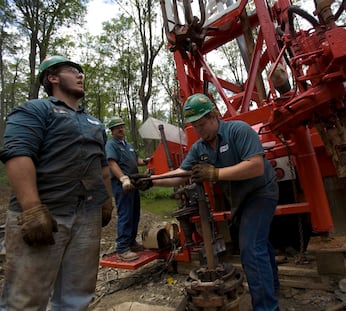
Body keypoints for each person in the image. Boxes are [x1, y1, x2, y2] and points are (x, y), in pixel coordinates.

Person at [137, 93, 280, 311]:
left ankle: (267, 307)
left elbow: (256, 166)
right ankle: (273, 286)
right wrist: (151, 180)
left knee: (251, 248)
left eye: (202, 124)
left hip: (261, 192)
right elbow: (182, 174)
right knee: (259, 242)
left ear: (214, 116)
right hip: (240, 199)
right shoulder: (200, 148)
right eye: (195, 126)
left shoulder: (238, 130)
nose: (199, 130)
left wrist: (215, 173)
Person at [0, 55, 114, 310]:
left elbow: (103, 167)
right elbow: (18, 154)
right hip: (45, 216)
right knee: (25, 299)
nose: (80, 75)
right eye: (72, 70)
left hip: (87, 216)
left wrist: (107, 201)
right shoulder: (34, 110)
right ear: (52, 77)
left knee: (77, 297)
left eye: (80, 72)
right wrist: (31, 208)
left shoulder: (94, 122)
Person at [105, 116, 151, 261]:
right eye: (117, 127)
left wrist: (146, 161)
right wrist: (123, 178)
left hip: (134, 184)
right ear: (112, 131)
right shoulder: (111, 145)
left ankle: (131, 242)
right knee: (125, 214)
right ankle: (122, 248)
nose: (120, 129)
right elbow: (112, 163)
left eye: (122, 126)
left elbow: (135, 160)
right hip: (122, 185)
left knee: (135, 214)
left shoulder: (128, 145)